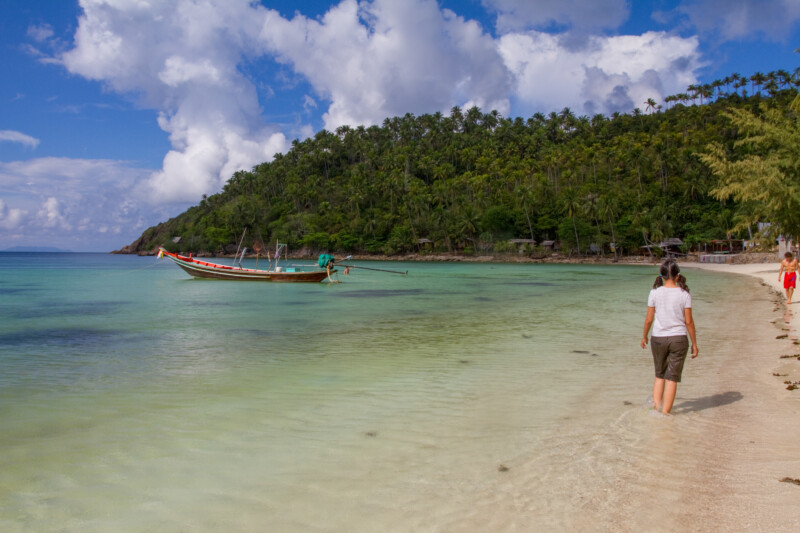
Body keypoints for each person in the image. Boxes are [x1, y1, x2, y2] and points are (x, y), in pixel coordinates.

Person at [640, 259, 699, 415]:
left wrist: (644, 336)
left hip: (658, 339)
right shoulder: (684, 294)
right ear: (678, 275)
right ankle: (665, 414)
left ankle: (656, 410)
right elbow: (689, 322)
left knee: (659, 375)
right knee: (672, 378)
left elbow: (649, 319)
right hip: (678, 339)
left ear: (661, 275)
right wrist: (694, 343)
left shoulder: (654, 293)